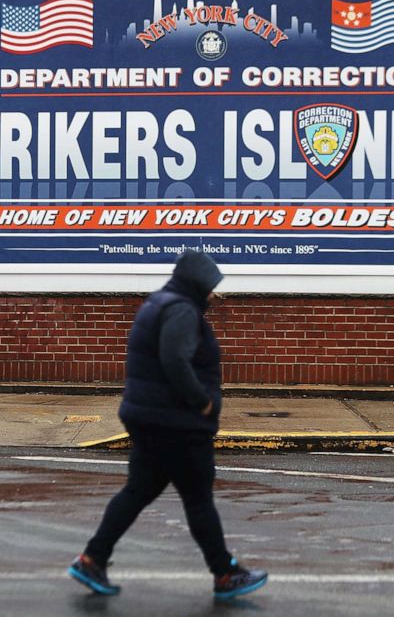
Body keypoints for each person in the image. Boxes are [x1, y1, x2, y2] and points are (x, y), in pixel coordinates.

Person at [68, 250, 268, 601]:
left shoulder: (160, 303)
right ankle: (225, 574)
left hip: (152, 418)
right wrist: (201, 401)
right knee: (198, 499)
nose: (214, 295)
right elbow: (175, 359)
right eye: (211, 287)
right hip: (176, 423)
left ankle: (92, 558)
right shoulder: (180, 310)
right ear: (197, 283)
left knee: (137, 491)